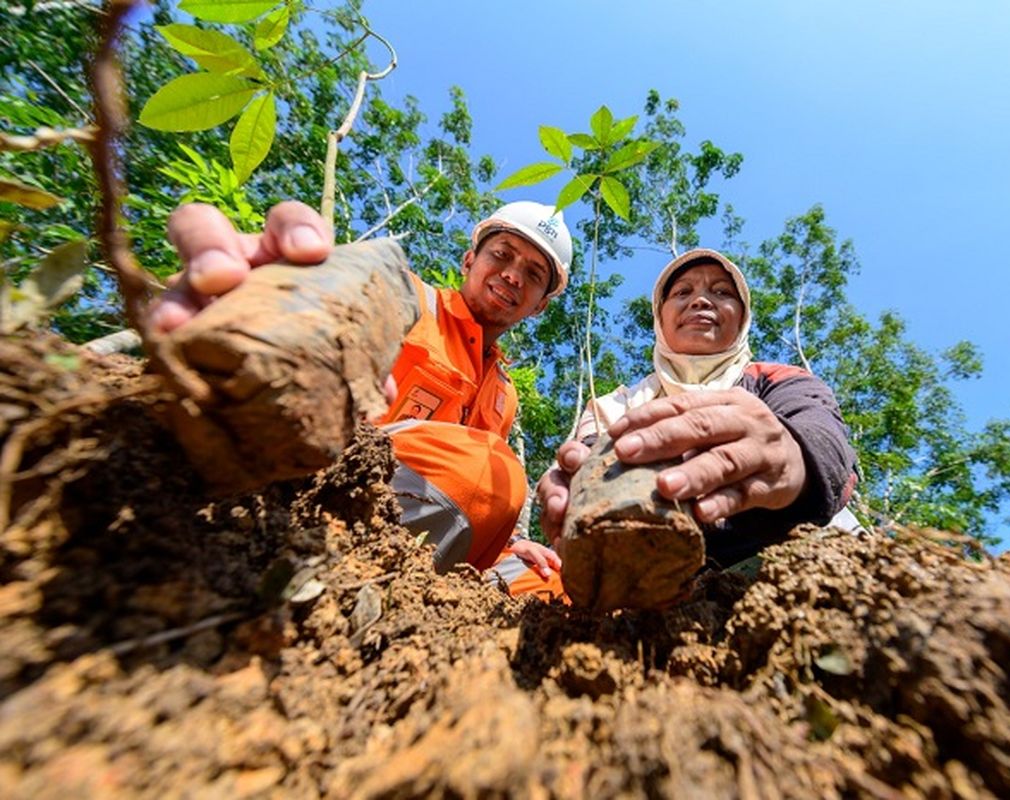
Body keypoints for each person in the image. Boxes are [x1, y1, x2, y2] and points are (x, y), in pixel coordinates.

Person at [153, 200, 566, 591]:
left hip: (442, 540)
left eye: (533, 274)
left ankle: (440, 615)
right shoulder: (412, 300)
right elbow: (342, 300)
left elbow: (481, 504)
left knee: (553, 581)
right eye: (502, 254)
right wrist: (273, 298)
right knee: (485, 470)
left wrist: (511, 543)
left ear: (540, 306)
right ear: (469, 259)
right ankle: (345, 585)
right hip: (326, 496)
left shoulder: (504, 396)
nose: (513, 275)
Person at [537, 248, 860, 571]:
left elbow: (824, 437)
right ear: (659, 317)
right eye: (682, 292)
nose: (701, 301)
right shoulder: (612, 406)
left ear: (743, 318)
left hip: (795, 564)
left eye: (721, 292)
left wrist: (792, 459)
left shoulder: (777, 380)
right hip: (652, 581)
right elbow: (589, 462)